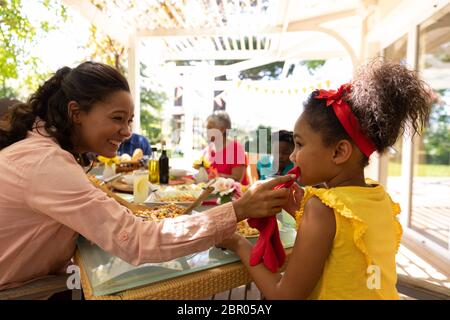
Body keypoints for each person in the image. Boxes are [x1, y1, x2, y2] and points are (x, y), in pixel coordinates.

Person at [0, 61, 295, 291]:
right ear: (76, 112)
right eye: (117, 118)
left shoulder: (42, 151)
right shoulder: (45, 162)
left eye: (129, 121)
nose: (127, 132)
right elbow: (136, 242)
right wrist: (239, 209)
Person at [218, 60, 432, 299]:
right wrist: (300, 213)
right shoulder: (378, 197)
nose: (291, 155)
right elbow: (344, 248)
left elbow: (284, 296)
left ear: (339, 152)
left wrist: (237, 242)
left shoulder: (321, 209)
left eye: (299, 144)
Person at [204, 111, 249, 185]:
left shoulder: (236, 148)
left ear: (222, 129)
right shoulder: (207, 149)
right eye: (207, 128)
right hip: (211, 192)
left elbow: (237, 179)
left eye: (210, 128)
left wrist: (217, 177)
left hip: (232, 194)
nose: (207, 131)